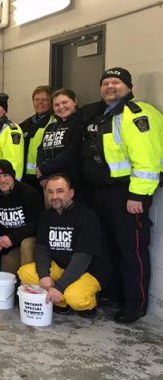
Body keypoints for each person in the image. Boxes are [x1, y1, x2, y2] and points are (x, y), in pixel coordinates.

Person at [82, 67, 163, 323]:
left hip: (127, 194)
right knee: (110, 248)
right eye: (105, 83)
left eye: (116, 82)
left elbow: (147, 160)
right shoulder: (107, 114)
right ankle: (115, 294)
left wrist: (137, 196)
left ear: (128, 86)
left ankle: (134, 304)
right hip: (104, 194)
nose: (110, 87)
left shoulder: (137, 114)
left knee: (132, 250)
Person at [18, 174, 110, 317]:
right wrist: (44, 275)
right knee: (25, 272)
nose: (54, 196)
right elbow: (42, 248)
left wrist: (59, 287)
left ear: (71, 193)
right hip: (61, 267)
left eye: (60, 191)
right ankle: (61, 303)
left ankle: (89, 303)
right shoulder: (46, 216)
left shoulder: (87, 216)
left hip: (87, 270)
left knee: (76, 298)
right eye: (50, 192)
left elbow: (83, 257)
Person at [0, 160, 42, 274]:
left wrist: (13, 238)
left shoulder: (29, 193)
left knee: (27, 245)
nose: (2, 180)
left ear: (13, 175)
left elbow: (36, 223)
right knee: (7, 273)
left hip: (25, 238)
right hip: (6, 243)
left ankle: (28, 287)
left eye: (6, 175)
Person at [36, 88, 86, 196]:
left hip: (74, 185)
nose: (61, 107)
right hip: (49, 184)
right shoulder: (50, 127)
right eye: (57, 105)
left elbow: (72, 152)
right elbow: (41, 150)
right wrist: (41, 176)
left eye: (64, 102)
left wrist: (43, 169)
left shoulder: (81, 123)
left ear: (75, 102)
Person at [20, 85, 53, 188]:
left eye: (44, 99)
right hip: (26, 176)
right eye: (36, 99)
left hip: (46, 175)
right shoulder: (24, 125)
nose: (40, 103)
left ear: (51, 101)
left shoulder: (55, 122)